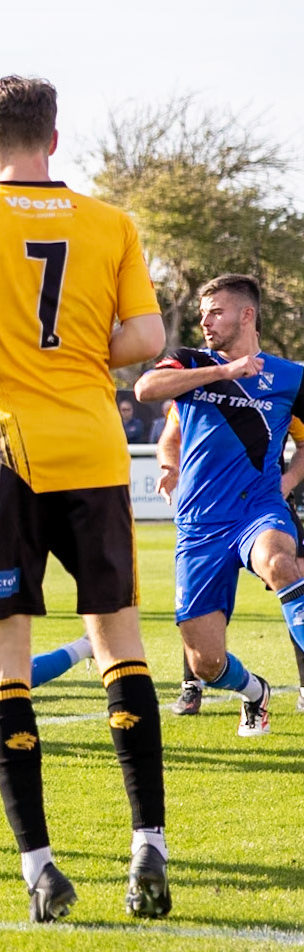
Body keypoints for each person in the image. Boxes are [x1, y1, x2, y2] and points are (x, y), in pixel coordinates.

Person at [0, 75, 169, 922]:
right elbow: (147, 339)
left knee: (3, 663)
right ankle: (147, 849)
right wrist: (78, 349)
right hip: (93, 448)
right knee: (119, 647)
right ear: (53, 138)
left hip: (4, 453)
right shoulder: (111, 223)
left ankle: (42, 868)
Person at [136, 273, 304, 737]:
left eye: (216, 312)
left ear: (246, 315)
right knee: (206, 663)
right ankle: (255, 693)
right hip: (199, 526)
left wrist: (289, 478)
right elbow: (145, 390)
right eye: (202, 314)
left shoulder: (291, 377)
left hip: (258, 509)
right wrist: (222, 372)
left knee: (280, 563)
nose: (206, 322)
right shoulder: (189, 362)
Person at [157, 407, 304, 716]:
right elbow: (170, 437)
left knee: (292, 576)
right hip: (207, 515)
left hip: (264, 507)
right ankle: (192, 684)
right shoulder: (193, 387)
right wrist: (170, 467)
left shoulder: (279, 386)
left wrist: (288, 480)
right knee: (200, 605)